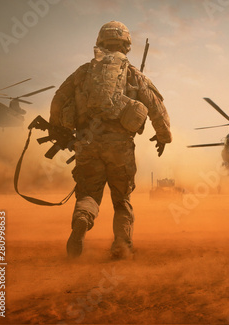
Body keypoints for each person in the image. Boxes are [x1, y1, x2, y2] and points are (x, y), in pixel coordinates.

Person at [49, 21, 172, 258]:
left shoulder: (82, 72)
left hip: (87, 143)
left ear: (100, 43)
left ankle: (83, 219)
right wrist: (163, 136)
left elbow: (57, 101)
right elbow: (157, 108)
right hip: (120, 146)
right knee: (121, 199)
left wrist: (59, 130)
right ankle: (121, 246)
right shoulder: (134, 74)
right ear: (126, 45)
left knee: (88, 194)